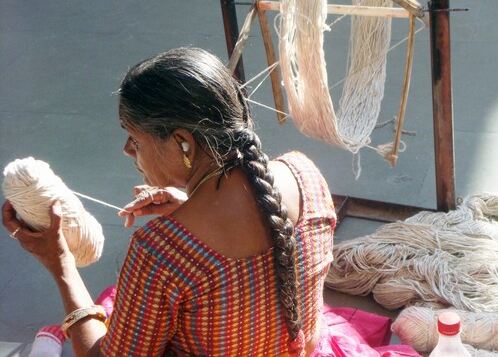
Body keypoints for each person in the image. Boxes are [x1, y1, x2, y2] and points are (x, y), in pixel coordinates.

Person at [3, 47, 420, 357]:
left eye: (135, 138)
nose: (128, 152)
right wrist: (188, 203)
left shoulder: (162, 253)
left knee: (114, 308)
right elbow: (256, 237)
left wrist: (60, 267)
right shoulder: (304, 174)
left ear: (183, 142)